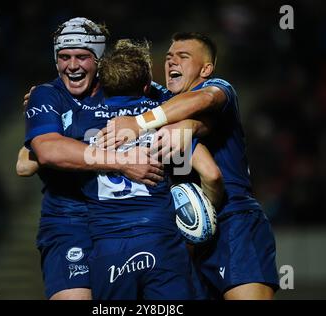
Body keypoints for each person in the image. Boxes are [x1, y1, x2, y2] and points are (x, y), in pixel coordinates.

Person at [98, 32, 279, 300]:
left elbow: (204, 101)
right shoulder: (163, 103)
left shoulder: (219, 88)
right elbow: (128, 81)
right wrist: (52, 95)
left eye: (183, 57)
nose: (172, 63)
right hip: (186, 232)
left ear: (205, 68)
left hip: (233, 221)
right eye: (169, 58)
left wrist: (139, 124)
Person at [20, 17, 164, 300]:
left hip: (127, 223)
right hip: (69, 223)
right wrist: (121, 161)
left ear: (99, 59)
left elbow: (182, 108)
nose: (72, 66)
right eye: (64, 57)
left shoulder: (124, 87)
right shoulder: (47, 95)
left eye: (82, 57)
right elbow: (47, 150)